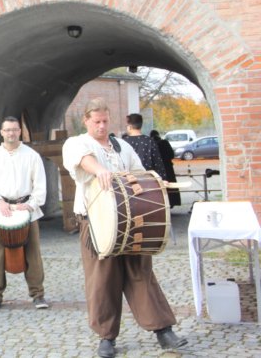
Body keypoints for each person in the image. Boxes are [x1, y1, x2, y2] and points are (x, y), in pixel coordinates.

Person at [62, 98, 187, 358]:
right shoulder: (77, 143)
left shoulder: (122, 146)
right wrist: (100, 170)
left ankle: (163, 330)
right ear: (86, 120)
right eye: (96, 121)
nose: (101, 126)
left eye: (105, 121)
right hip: (96, 222)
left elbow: (139, 175)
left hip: (131, 220)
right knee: (102, 280)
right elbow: (84, 160)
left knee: (142, 273)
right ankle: (106, 337)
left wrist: (156, 182)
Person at [0, 116, 49, 311]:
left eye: (14, 129)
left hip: (27, 209)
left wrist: (30, 204)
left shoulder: (32, 156)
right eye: (7, 130)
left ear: (20, 131)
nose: (11, 133)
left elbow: (40, 185)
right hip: (1, 210)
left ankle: (38, 294)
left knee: (33, 254)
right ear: (1, 132)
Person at [124, 114, 166, 179]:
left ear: (130, 126)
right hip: (148, 180)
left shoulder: (123, 142)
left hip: (128, 181)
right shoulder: (150, 141)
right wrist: (162, 179)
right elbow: (158, 164)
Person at [150, 130, 181, 207]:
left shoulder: (151, 144)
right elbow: (171, 155)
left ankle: (160, 203)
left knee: (159, 186)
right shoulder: (165, 143)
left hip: (156, 169)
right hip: (168, 168)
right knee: (170, 185)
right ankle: (172, 202)